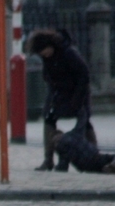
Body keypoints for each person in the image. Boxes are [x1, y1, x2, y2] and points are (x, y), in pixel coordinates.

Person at [26, 29, 97, 172]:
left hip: (77, 92)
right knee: (49, 118)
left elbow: (84, 75)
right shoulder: (48, 59)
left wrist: (77, 100)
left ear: (50, 45)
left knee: (85, 122)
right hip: (59, 93)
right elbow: (48, 76)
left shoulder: (68, 53)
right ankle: (48, 159)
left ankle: (95, 157)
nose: (44, 55)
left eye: (44, 51)